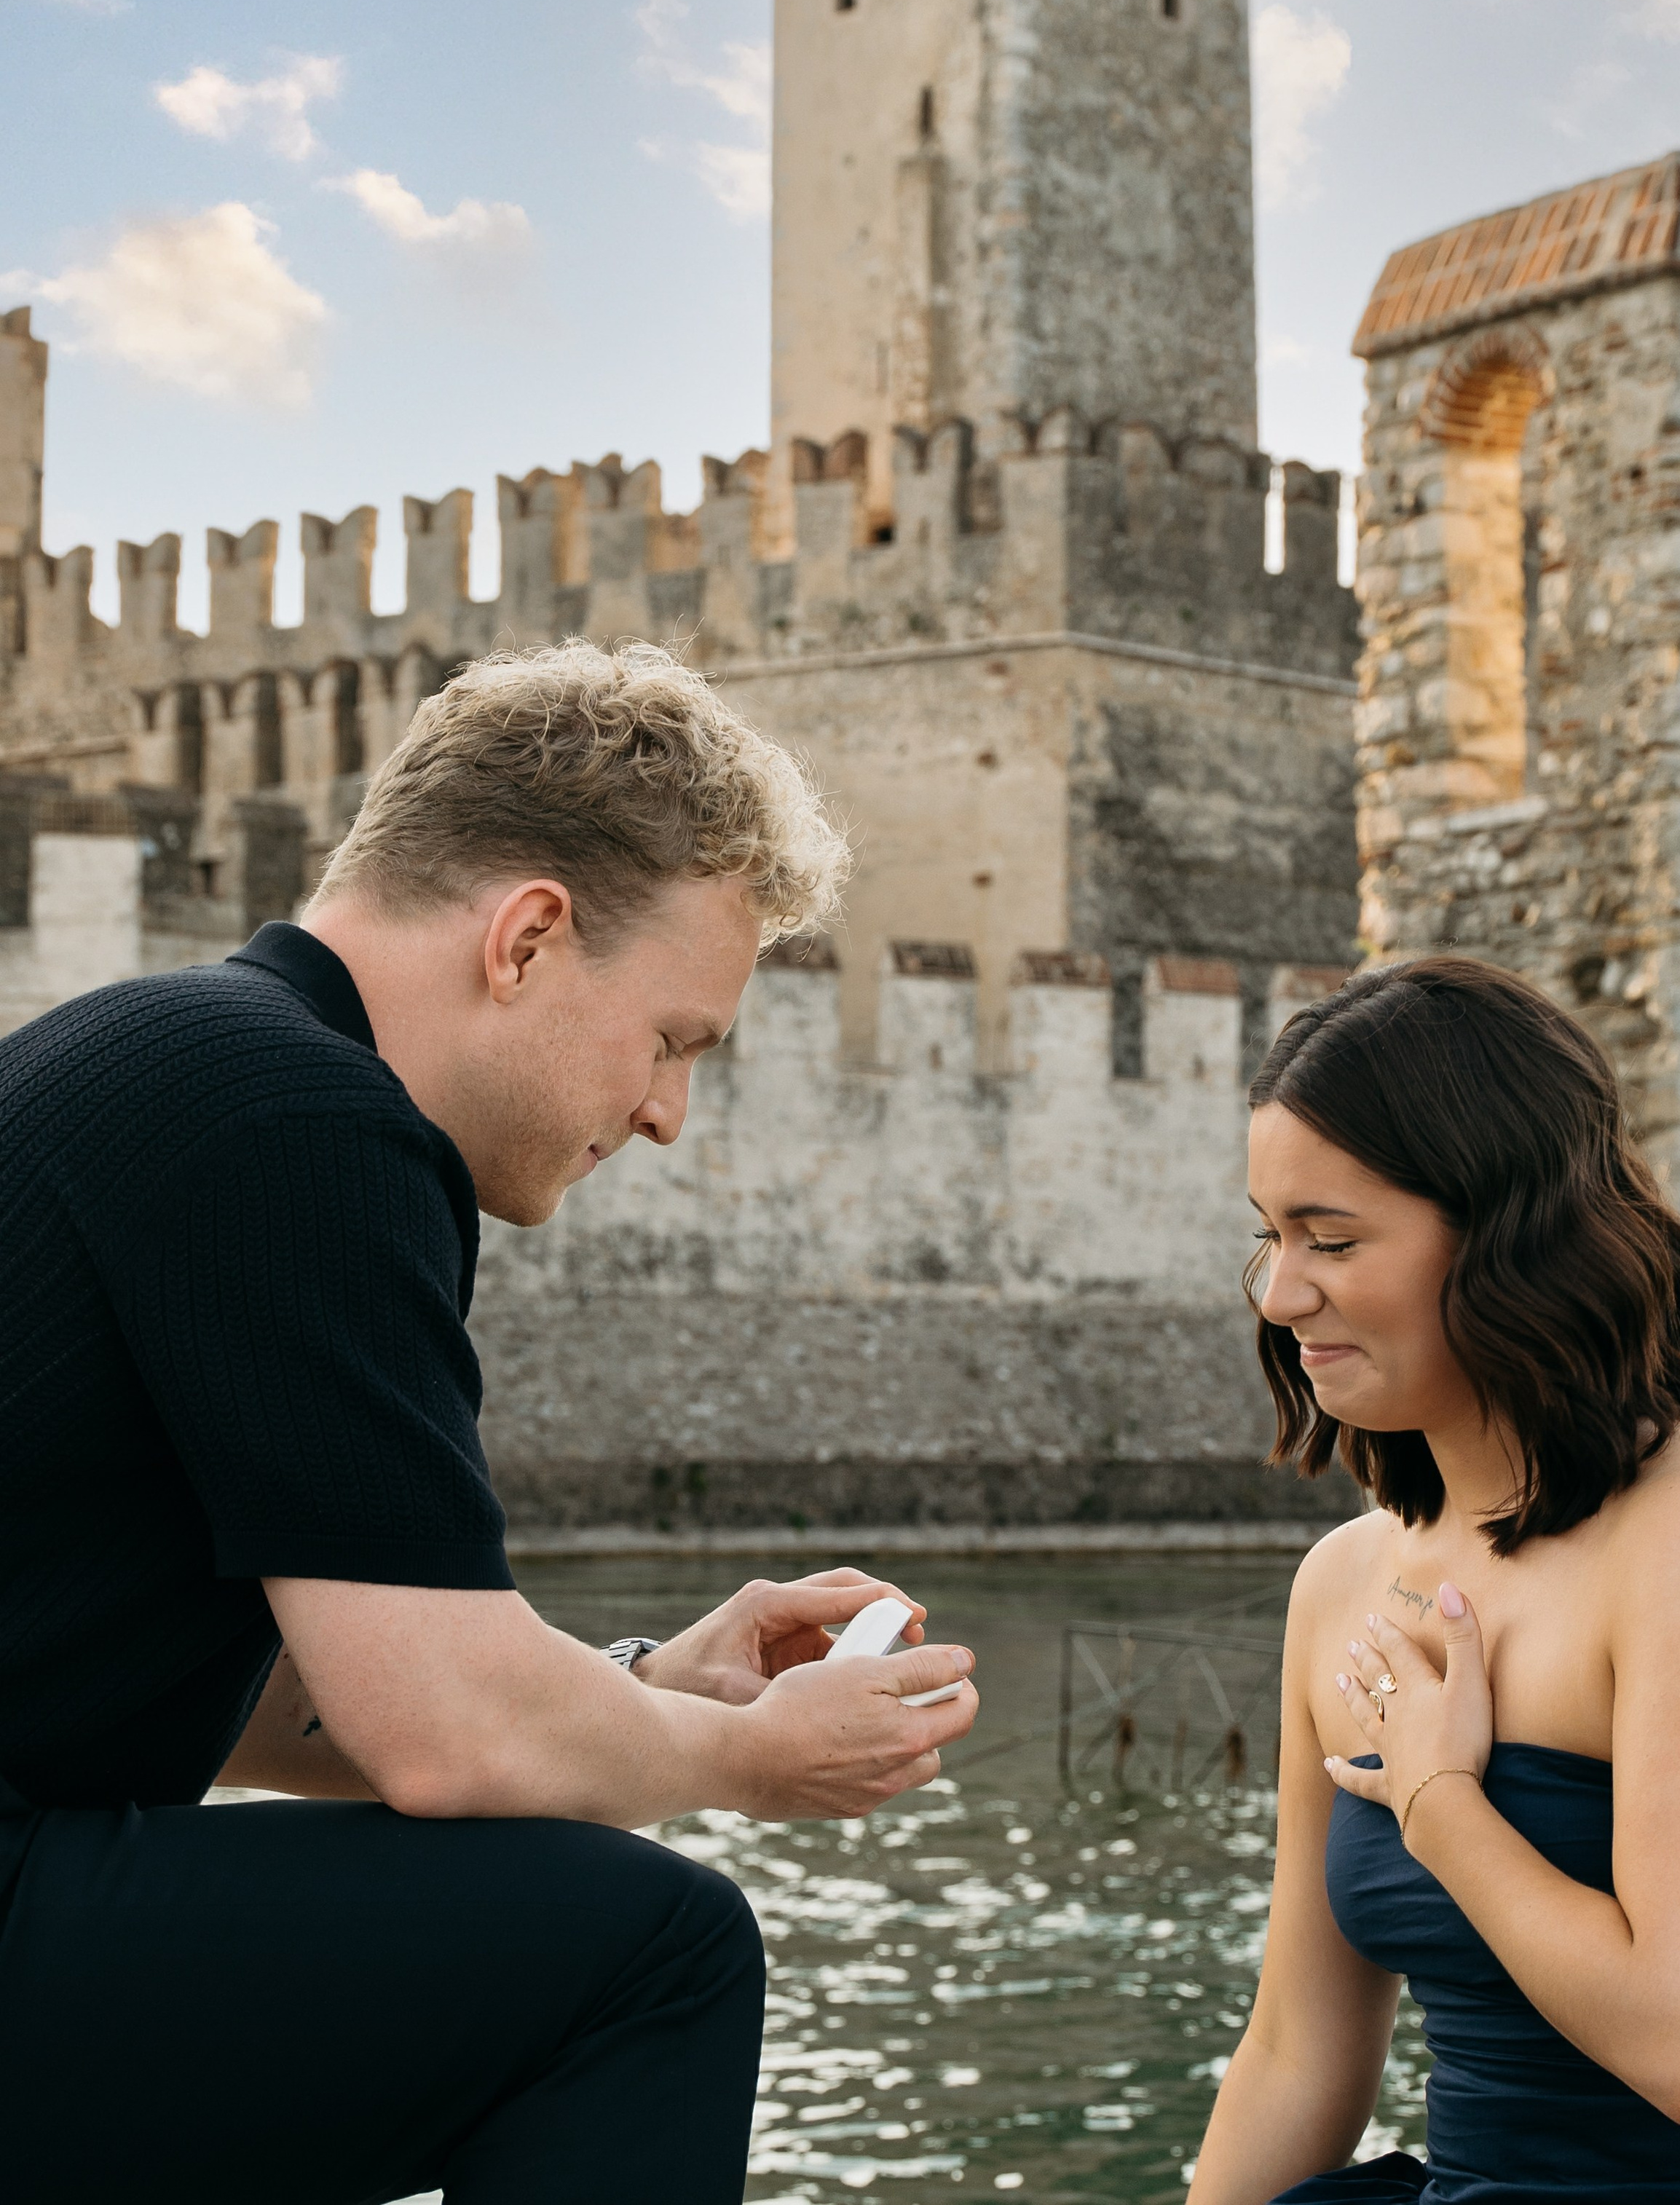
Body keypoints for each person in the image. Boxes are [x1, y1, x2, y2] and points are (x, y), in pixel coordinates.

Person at [0, 639, 979, 2205]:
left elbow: (260, 1696)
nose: (666, 1114)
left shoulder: (175, 1064)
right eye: (670, 1040)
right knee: (648, 1949)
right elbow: (444, 1735)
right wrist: (745, 1759)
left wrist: (646, 1683)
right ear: (527, 938)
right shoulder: (308, 1122)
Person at [1188, 955, 1680, 2204]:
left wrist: (1442, 1800)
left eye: (1330, 1238)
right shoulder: (1342, 1583)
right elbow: (1296, 2052)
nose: (1281, 1294)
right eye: (1270, 1236)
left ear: (1508, 1234)